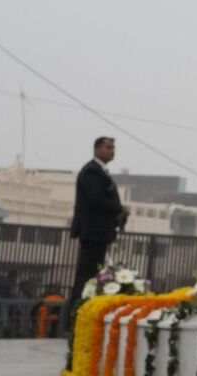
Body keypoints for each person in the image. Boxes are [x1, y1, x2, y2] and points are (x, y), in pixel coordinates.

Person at [65, 136, 124, 339]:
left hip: (99, 232)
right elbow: (96, 198)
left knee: (91, 276)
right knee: (85, 277)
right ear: (97, 149)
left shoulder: (100, 172)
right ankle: (74, 319)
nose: (112, 151)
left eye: (113, 148)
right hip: (93, 232)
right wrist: (118, 208)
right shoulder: (91, 171)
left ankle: (80, 317)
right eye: (108, 147)